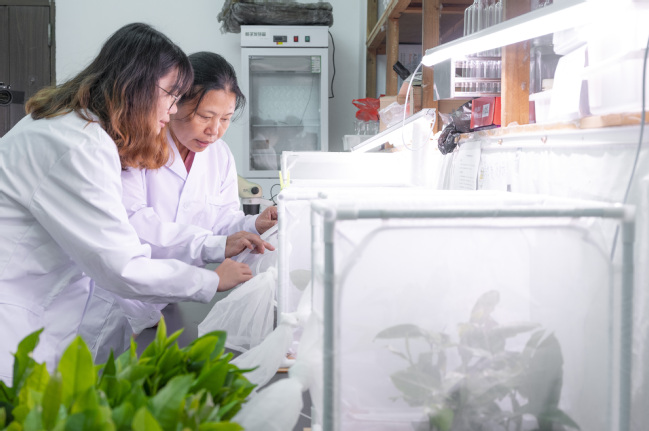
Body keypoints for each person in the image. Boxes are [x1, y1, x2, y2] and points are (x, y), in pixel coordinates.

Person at [0, 23, 253, 384]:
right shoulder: (79, 145)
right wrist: (209, 280)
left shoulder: (82, 131)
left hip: (52, 305)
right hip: (16, 310)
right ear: (136, 85)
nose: (172, 110)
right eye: (171, 95)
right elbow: (120, 263)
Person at [78, 51, 279, 362]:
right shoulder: (139, 142)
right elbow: (134, 223)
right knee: (94, 375)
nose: (214, 130)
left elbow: (222, 220)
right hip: (116, 298)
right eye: (205, 116)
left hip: (170, 296)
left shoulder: (219, 155)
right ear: (175, 103)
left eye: (225, 119)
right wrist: (214, 247)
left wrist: (253, 225)